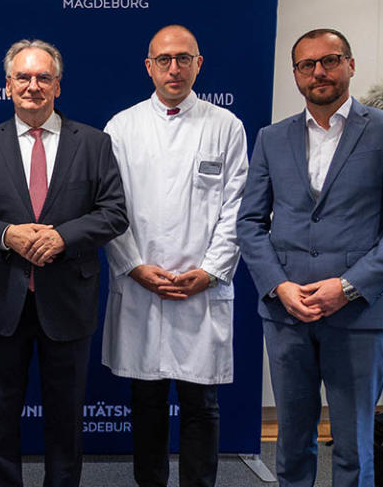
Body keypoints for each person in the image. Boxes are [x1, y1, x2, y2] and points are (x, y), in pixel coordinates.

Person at [237, 28, 383, 487]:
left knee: (352, 448)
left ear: (350, 64)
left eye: (329, 60)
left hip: (359, 315)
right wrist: (279, 286)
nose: (318, 72)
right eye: (307, 65)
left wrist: (345, 287)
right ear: (296, 74)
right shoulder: (271, 137)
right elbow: (249, 223)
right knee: (291, 445)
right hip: (287, 314)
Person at [0, 39, 127, 487]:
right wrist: (8, 235)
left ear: (58, 86)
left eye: (43, 78)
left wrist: (63, 237)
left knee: (66, 419)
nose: (33, 86)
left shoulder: (94, 143)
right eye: (23, 78)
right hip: (0, 302)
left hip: (67, 301)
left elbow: (114, 213)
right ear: (7, 85)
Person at [101, 25, 248, 487]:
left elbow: (237, 207)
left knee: (201, 407)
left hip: (200, 292)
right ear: (149, 66)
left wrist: (210, 271)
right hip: (141, 287)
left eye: (184, 58)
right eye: (164, 59)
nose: (174, 68)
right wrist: (135, 267)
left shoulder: (226, 127)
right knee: (145, 405)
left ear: (198, 64)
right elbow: (109, 207)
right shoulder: (121, 127)